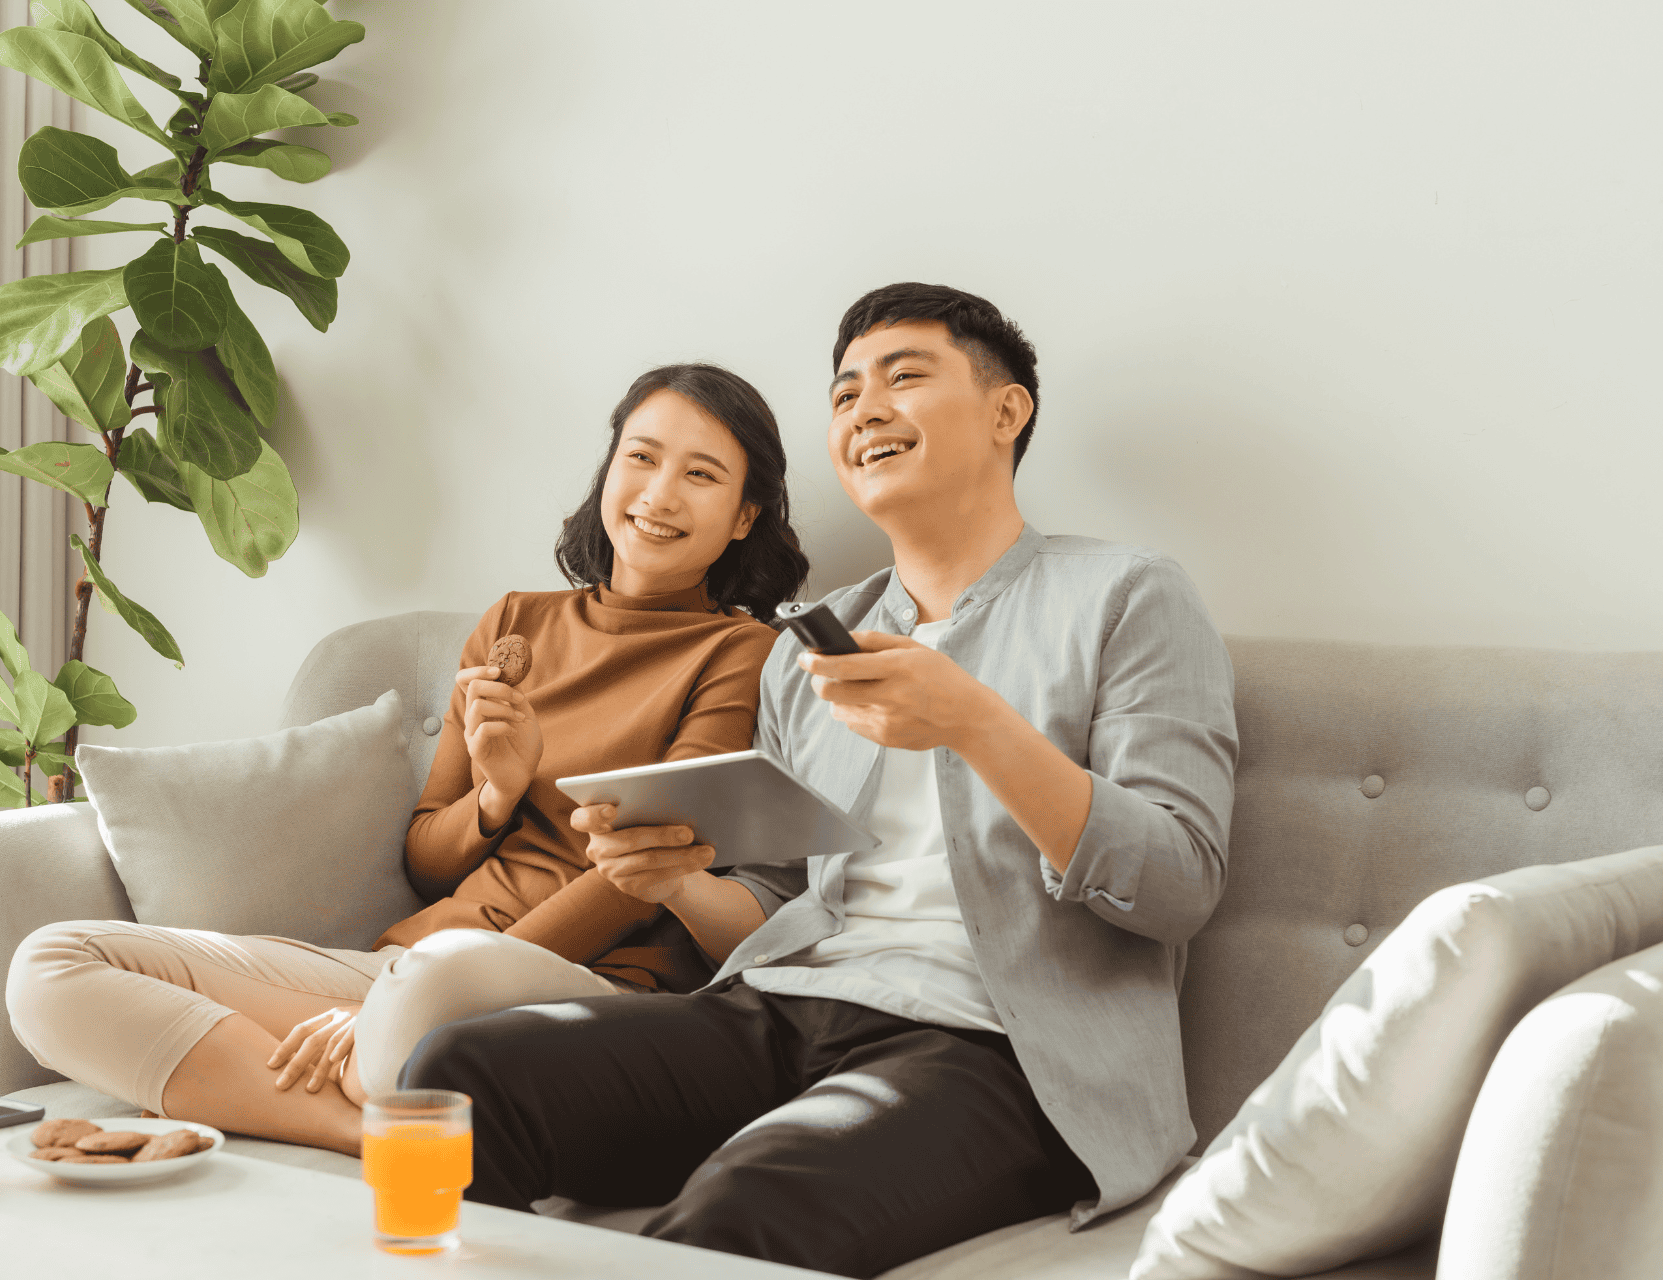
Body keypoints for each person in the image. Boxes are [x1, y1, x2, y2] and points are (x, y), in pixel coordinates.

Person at [399, 284, 1240, 1278]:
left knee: (740, 1210)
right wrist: (674, 879)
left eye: (904, 375)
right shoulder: (811, 643)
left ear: (1007, 410)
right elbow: (773, 900)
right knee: (456, 1073)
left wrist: (974, 721)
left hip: (993, 1049)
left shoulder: (1126, 595)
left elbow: (1181, 881)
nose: (864, 408)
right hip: (784, 1005)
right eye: (844, 394)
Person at [4, 363, 811, 1157]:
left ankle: (349, 1064)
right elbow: (426, 859)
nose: (660, 493)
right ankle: (370, 1132)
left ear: (743, 517)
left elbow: (638, 874)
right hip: (405, 965)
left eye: (701, 475)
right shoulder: (514, 623)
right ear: (611, 469)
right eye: (642, 456)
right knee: (51, 966)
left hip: (567, 981)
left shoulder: (739, 654)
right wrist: (495, 793)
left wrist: (414, 996)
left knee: (436, 987)